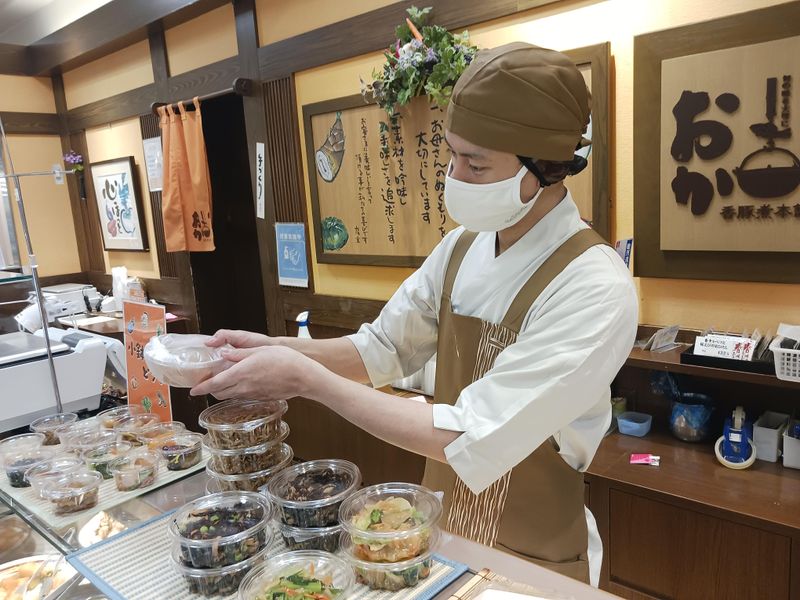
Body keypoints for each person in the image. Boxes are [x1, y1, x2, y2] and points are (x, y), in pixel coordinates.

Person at [190, 42, 638, 586]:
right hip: (442, 534)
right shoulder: (460, 250)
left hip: (536, 557)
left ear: (544, 167)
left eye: (475, 164)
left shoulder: (594, 286)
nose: (454, 176)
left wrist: (310, 381)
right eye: (452, 156)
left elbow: (465, 436)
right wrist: (277, 349)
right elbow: (379, 349)